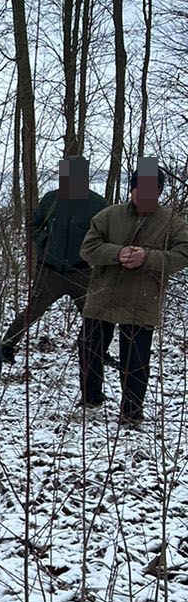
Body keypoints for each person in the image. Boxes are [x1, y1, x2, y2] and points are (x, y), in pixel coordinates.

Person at [77, 166, 188, 428]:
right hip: (103, 295)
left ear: (160, 191)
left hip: (143, 298)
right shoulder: (108, 215)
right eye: (141, 188)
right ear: (132, 188)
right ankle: (91, 400)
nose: (146, 194)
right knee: (89, 350)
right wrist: (117, 253)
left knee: (135, 360)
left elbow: (184, 254)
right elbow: (88, 249)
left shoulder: (172, 222)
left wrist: (148, 258)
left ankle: (131, 413)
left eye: (153, 190)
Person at [0, 156, 106, 365]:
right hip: (50, 271)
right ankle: (7, 346)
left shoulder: (97, 204)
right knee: (33, 311)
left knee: (94, 315)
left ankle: (99, 351)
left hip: (82, 271)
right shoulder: (51, 199)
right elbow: (34, 225)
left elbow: (107, 235)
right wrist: (44, 240)